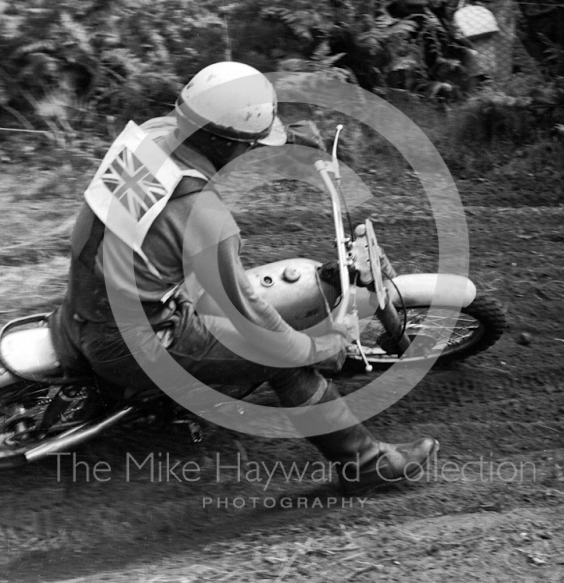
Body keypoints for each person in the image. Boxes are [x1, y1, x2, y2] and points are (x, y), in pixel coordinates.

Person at [52, 61, 437, 494]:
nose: (250, 152)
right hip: (134, 339)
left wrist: (289, 139)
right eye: (248, 144)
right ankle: (366, 465)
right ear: (221, 143)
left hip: (84, 298)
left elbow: (220, 139)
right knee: (280, 355)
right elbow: (253, 320)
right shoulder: (206, 218)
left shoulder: (156, 134)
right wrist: (323, 345)